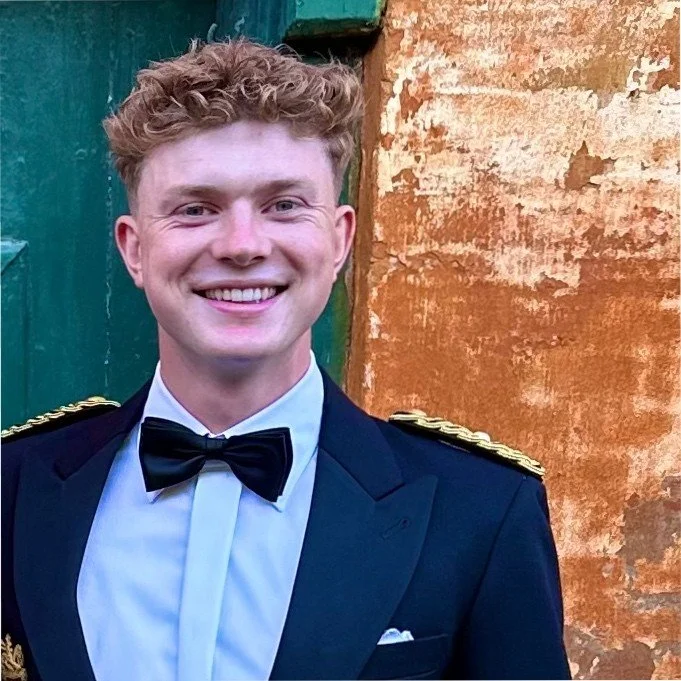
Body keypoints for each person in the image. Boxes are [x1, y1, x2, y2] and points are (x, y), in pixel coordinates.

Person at [1, 38, 571, 681]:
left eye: (284, 206)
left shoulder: (482, 511)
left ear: (339, 239)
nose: (243, 245)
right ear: (135, 250)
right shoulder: (12, 489)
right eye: (195, 209)